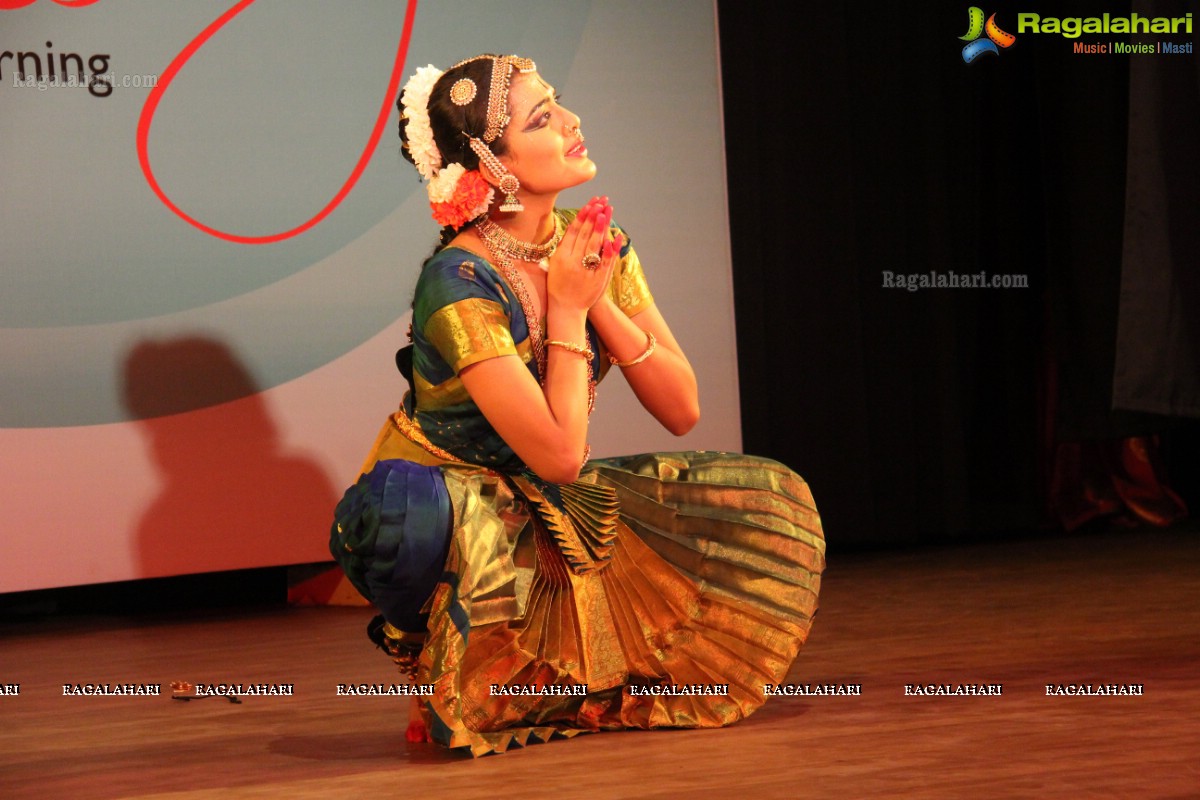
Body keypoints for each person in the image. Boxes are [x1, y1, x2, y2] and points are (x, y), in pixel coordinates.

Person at [330, 54, 825, 757]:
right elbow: (562, 456)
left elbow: (681, 408)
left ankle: (527, 677)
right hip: (448, 504)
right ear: (491, 165)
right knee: (402, 516)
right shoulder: (458, 279)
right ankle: (429, 658)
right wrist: (566, 310)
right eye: (541, 119)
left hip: (548, 501)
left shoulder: (590, 243)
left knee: (763, 505)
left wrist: (601, 306)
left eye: (557, 104)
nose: (571, 122)